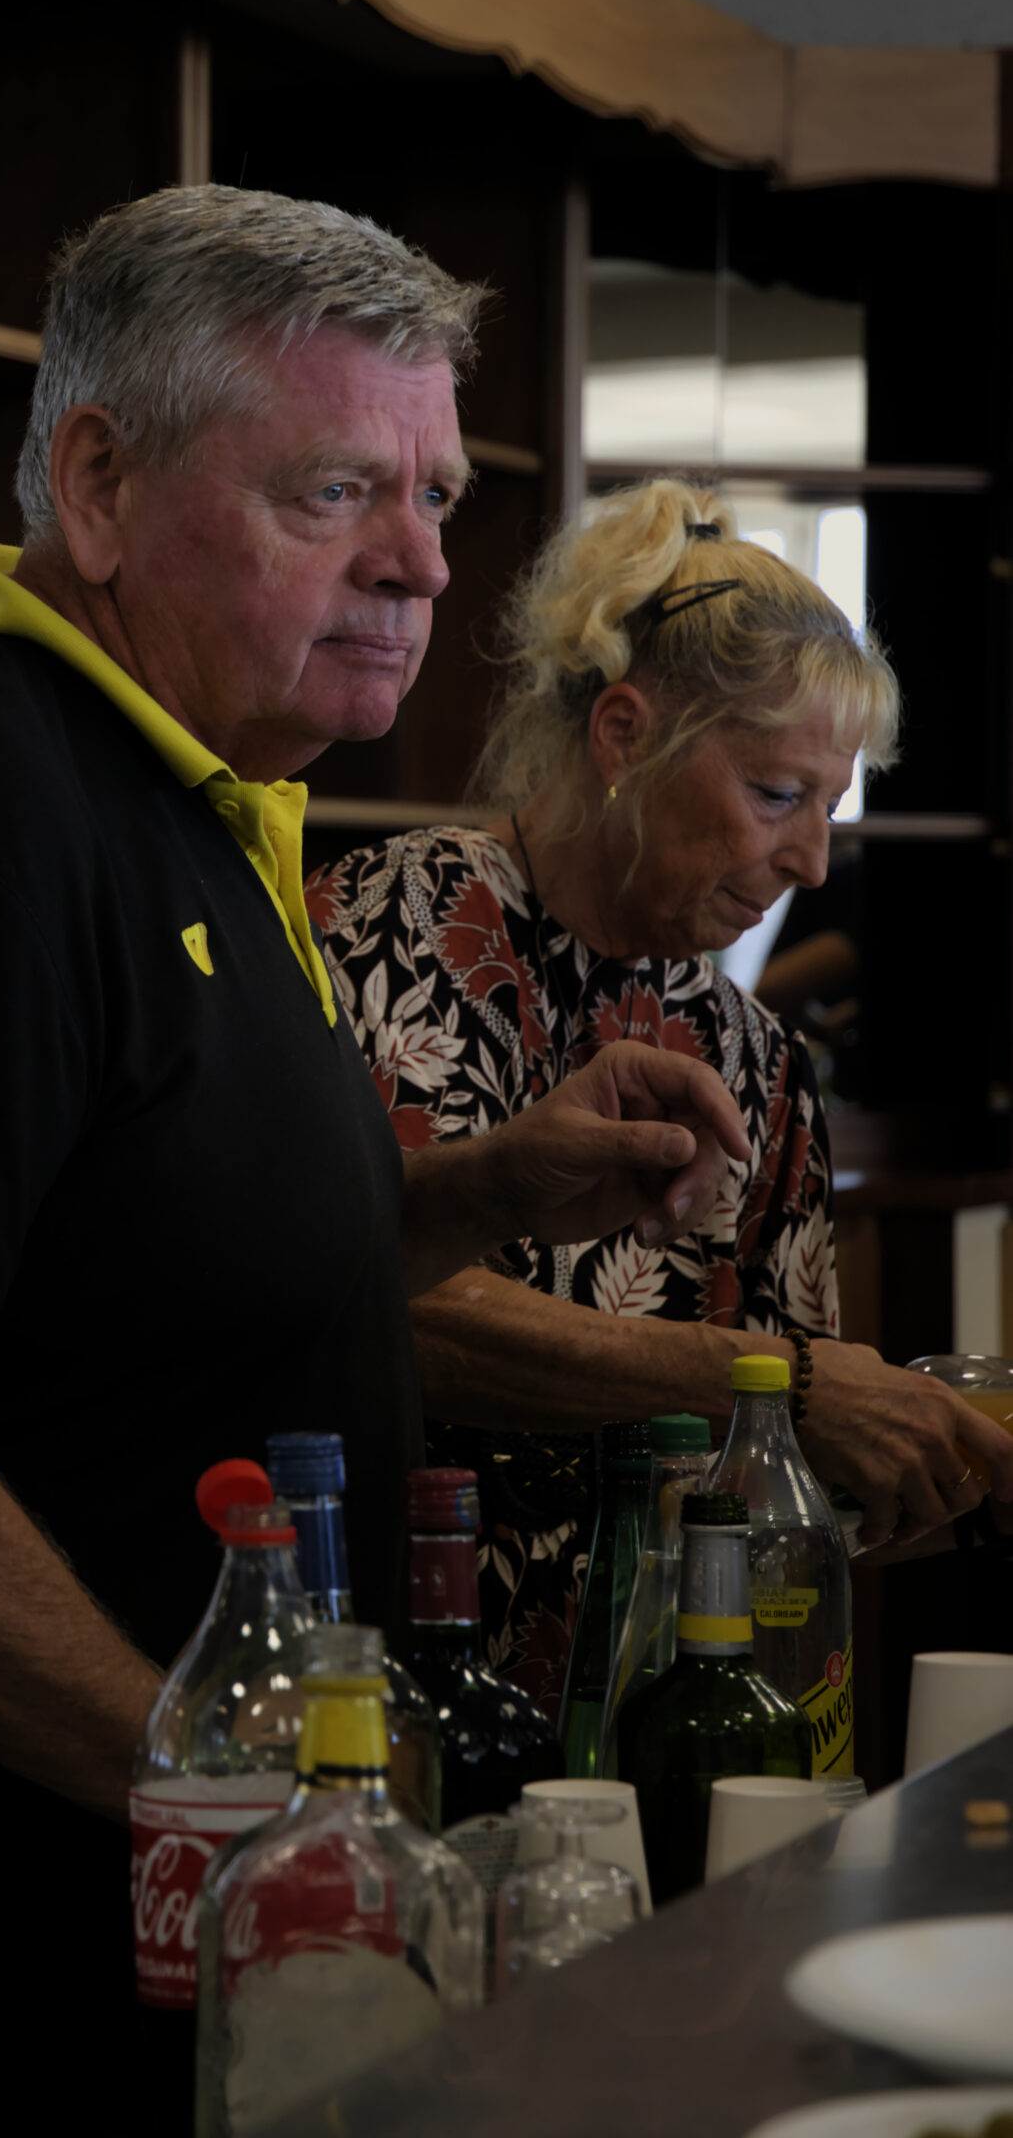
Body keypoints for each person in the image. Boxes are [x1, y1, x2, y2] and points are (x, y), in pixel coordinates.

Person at [0, 195, 752, 2138]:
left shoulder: (199, 793)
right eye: (332, 490)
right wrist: (234, 1805)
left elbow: (138, 1284)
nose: (418, 561)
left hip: (158, 1950)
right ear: (96, 483)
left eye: (432, 494)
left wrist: (479, 1192)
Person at [310, 479, 1013, 1715]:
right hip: (394, 1696)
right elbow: (370, 1307)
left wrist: (936, 1467)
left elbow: (778, 1489)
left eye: (828, 809)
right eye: (775, 794)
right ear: (623, 733)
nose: (811, 862)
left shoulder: (755, 1057)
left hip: (662, 1725)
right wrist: (780, 1382)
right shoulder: (397, 926)